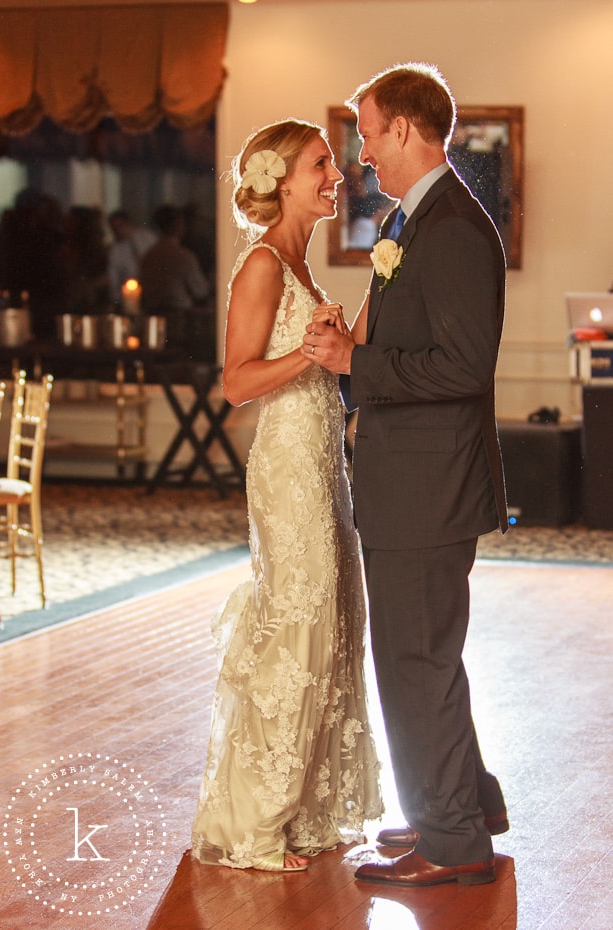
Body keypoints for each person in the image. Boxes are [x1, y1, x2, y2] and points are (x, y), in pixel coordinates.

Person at [302, 63, 509, 888]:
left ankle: (454, 846)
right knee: (427, 659)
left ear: (406, 131)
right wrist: (351, 349)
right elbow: (416, 345)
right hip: (412, 484)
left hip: (428, 490)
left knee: (414, 664)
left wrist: (357, 360)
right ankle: (462, 809)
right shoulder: (410, 219)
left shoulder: (452, 226)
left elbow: (463, 366)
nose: (360, 151)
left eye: (367, 130)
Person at [190, 118, 382, 873]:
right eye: (321, 164)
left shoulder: (304, 271)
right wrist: (307, 357)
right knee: (296, 623)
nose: (336, 174)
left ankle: (307, 808)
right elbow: (237, 383)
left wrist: (354, 314)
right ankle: (255, 821)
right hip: (285, 469)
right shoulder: (264, 266)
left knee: (333, 621)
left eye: (332, 163)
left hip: (324, 464)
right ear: (281, 181)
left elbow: (323, 364)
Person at [139, 204, 210, 352]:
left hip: (151, 319)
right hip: (178, 322)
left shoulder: (149, 256)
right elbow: (200, 290)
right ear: (177, 225)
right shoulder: (183, 256)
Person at [107, 210, 157, 306]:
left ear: (128, 223)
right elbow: (114, 278)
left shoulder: (147, 237)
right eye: (114, 228)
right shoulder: (115, 251)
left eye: (120, 226)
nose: (118, 231)